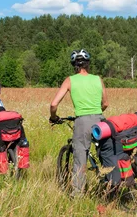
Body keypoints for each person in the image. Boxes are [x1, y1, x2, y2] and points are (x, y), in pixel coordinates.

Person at [49, 49, 119, 197]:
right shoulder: (98, 79)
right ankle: (112, 187)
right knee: (106, 154)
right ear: (88, 64)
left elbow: (54, 104)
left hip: (82, 122)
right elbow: (105, 103)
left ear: (74, 65)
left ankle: (77, 195)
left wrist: (53, 117)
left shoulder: (70, 80)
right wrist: (96, 111)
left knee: (80, 159)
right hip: (101, 121)